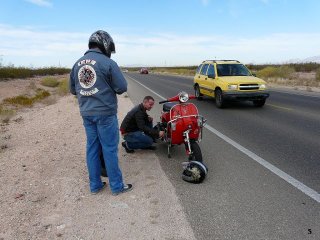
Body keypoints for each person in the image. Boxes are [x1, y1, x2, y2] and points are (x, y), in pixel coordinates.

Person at [69, 30, 132, 195]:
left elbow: (73, 90)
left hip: (86, 113)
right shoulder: (108, 63)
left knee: (92, 148)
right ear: (104, 45)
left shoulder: (77, 64)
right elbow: (122, 88)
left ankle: (95, 185)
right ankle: (117, 186)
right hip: (105, 113)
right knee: (109, 149)